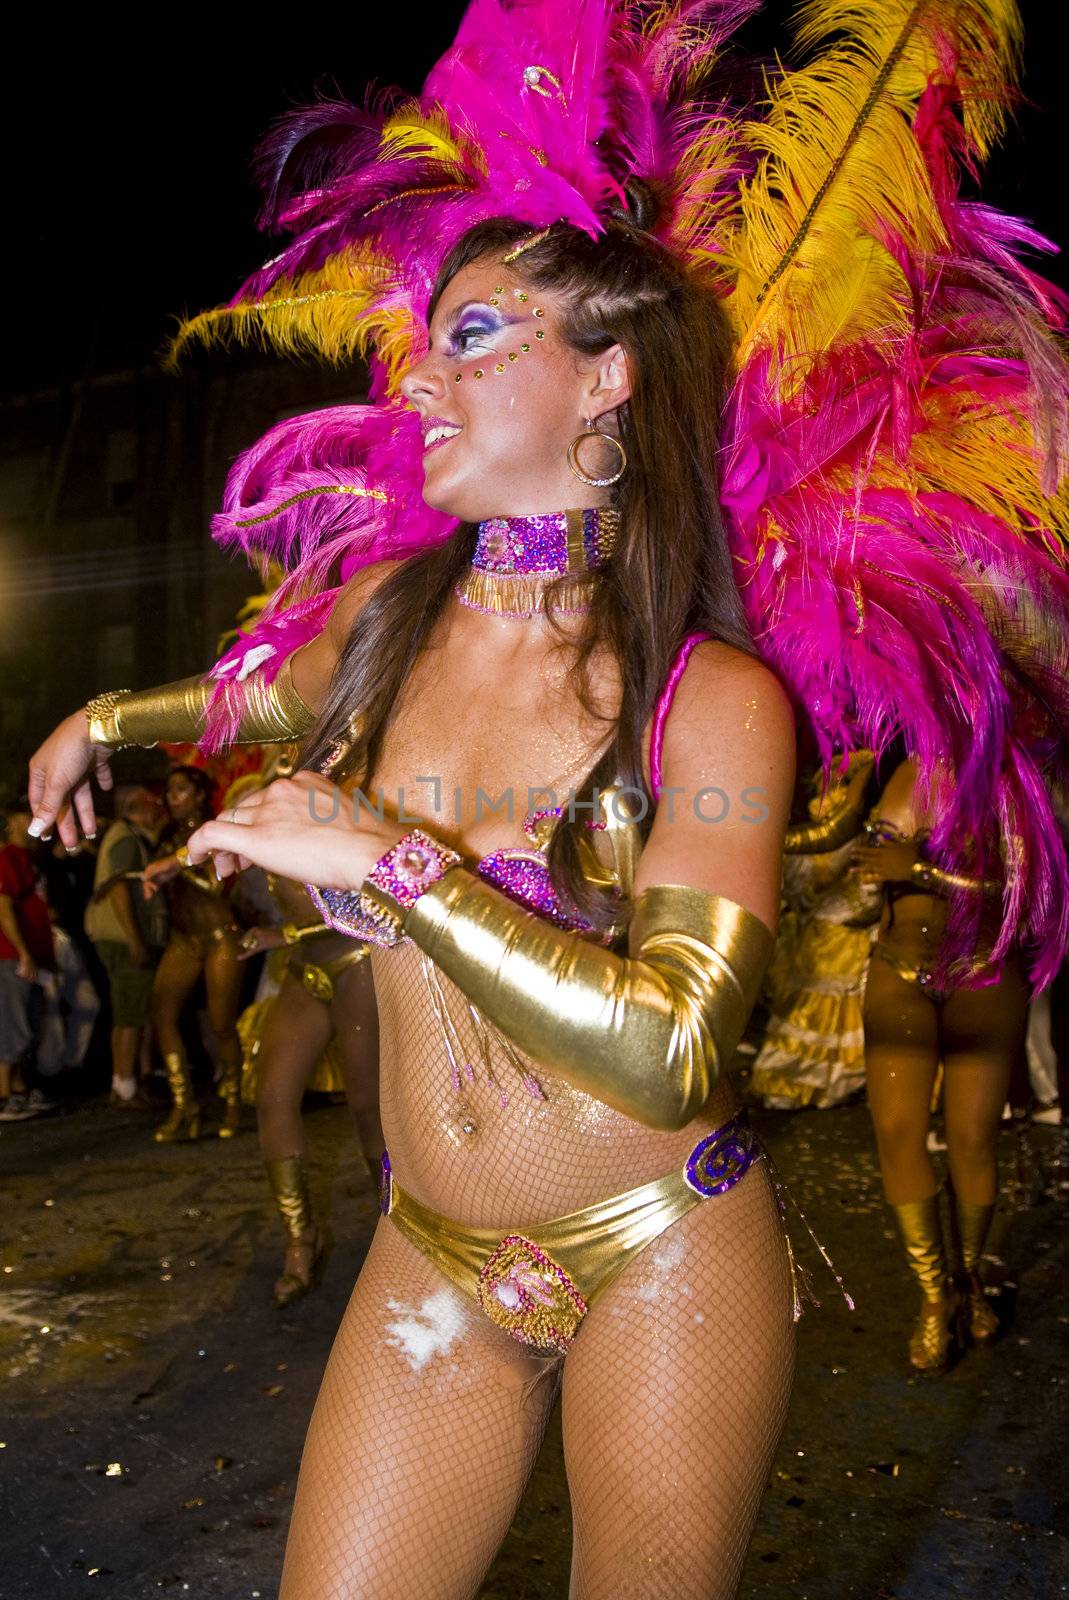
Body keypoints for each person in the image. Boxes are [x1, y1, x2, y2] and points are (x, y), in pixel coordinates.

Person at [23, 3, 1069, 1595]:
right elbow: (249, 693)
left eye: (474, 340)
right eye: (427, 341)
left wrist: (395, 863)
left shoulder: (705, 699)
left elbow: (673, 1052)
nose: (421, 380)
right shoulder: (379, 624)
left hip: (660, 1250)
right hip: (429, 1254)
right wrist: (97, 720)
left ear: (606, 384)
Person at [851, 758, 1028, 1373]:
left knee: (972, 1140)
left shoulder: (1009, 780)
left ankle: (970, 1278)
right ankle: (934, 1299)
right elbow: (822, 845)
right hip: (899, 970)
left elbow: (1027, 886)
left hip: (983, 974)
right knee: (898, 1134)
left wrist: (921, 866)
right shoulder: (891, 773)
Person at [238, 869, 382, 1305]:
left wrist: (282, 933)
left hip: (356, 961)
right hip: (305, 966)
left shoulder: (352, 803)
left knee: (368, 1106)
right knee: (273, 1095)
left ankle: (397, 1233)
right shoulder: (268, 805)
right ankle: (302, 1238)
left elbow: (377, 902)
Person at [751, 753, 880, 1111]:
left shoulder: (854, 801)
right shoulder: (839, 793)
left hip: (841, 923)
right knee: (814, 999)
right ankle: (817, 1080)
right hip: (822, 924)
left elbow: (830, 855)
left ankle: (830, 1080)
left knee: (831, 1001)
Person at [140, 766, 246, 1141]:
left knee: (220, 1023)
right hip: (183, 939)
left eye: (181, 790)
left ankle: (234, 1101)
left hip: (220, 936)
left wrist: (176, 867)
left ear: (200, 795)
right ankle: (184, 1106)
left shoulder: (215, 832)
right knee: (162, 1016)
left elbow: (217, 887)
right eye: (169, 790)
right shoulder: (167, 836)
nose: (173, 797)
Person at [85, 786, 167, 1105]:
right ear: (137, 807)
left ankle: (129, 1080)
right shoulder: (125, 838)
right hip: (122, 938)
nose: (160, 807)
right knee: (129, 1013)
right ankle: (124, 1086)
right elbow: (119, 889)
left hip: (119, 936)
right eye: (154, 802)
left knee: (131, 1009)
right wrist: (136, 940)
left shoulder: (133, 837)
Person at [0, 798, 56, 1120]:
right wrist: (22, 951)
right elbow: (3, 906)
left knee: (31, 1023)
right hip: (12, 957)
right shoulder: (7, 857)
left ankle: (20, 1089)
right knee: (13, 1024)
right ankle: (5, 1095)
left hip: (33, 955)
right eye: (28, 815)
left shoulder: (28, 858)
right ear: (14, 820)